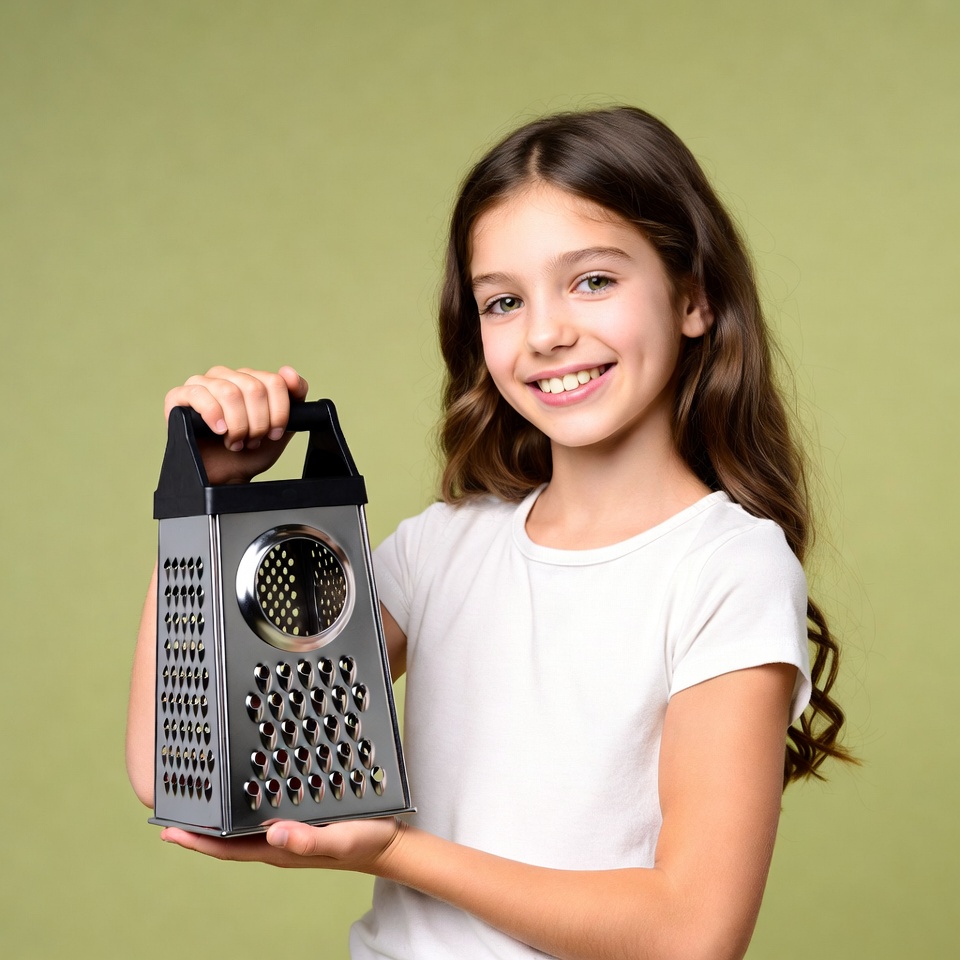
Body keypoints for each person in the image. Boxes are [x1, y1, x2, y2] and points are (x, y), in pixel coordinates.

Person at [126, 106, 853, 960]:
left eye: (593, 281)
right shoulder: (441, 551)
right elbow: (183, 765)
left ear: (694, 297)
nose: (546, 333)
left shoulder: (726, 568)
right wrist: (206, 500)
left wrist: (397, 851)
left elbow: (693, 932)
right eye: (504, 301)